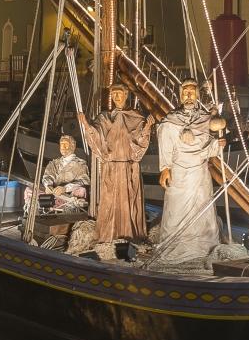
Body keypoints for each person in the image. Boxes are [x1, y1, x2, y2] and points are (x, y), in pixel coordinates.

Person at [148, 79, 227, 268]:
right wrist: (165, 168)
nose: (189, 96)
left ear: (198, 95)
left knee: (201, 209)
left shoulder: (205, 119)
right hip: (178, 171)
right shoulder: (170, 120)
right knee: (176, 210)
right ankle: (174, 247)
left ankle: (202, 248)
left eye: (192, 92)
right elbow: (166, 144)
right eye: (185, 93)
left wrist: (217, 144)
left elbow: (211, 142)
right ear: (180, 95)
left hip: (199, 172)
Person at [81, 83, 153, 250]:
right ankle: (108, 235)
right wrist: (86, 125)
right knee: (109, 204)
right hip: (111, 168)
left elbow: (140, 145)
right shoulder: (104, 118)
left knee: (130, 203)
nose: (117, 96)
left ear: (126, 94)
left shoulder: (137, 117)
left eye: (120, 93)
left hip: (129, 167)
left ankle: (131, 235)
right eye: (114, 94)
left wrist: (147, 128)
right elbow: (97, 138)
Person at [39, 133, 88, 210]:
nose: (63, 147)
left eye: (65, 144)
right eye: (61, 144)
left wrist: (65, 188)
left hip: (69, 197)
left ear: (72, 146)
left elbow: (83, 182)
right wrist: (48, 185)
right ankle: (38, 209)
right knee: (31, 189)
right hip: (53, 195)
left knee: (81, 190)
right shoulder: (53, 163)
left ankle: (70, 210)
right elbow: (47, 176)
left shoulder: (80, 164)